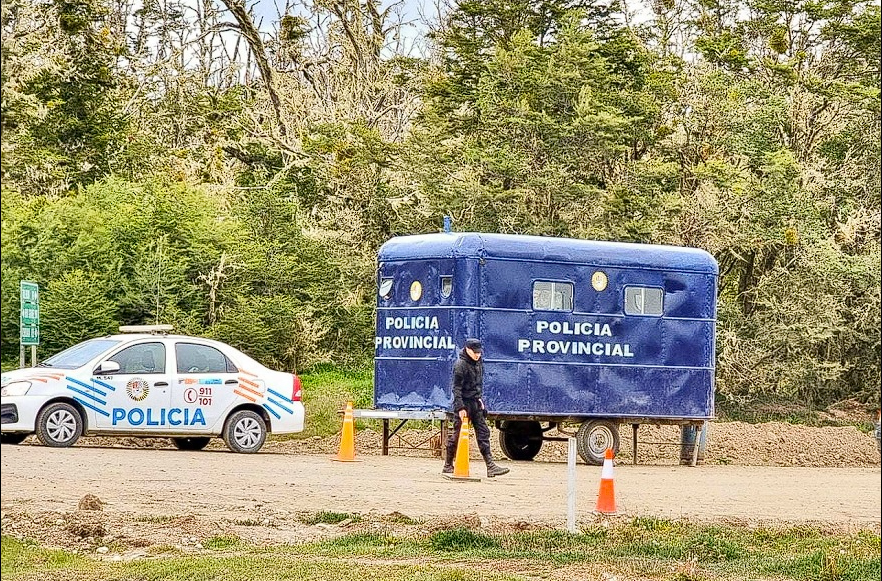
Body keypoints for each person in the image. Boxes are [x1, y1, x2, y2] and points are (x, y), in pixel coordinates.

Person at [443, 338, 510, 478]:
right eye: (474, 352)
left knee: (483, 432)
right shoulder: (460, 365)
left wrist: (479, 399)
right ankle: (448, 465)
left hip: (475, 402)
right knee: (457, 435)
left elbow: (478, 383)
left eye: (479, 352)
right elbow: (456, 389)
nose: (477, 355)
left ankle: (490, 466)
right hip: (464, 404)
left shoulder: (478, 362)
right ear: (467, 349)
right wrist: (460, 407)